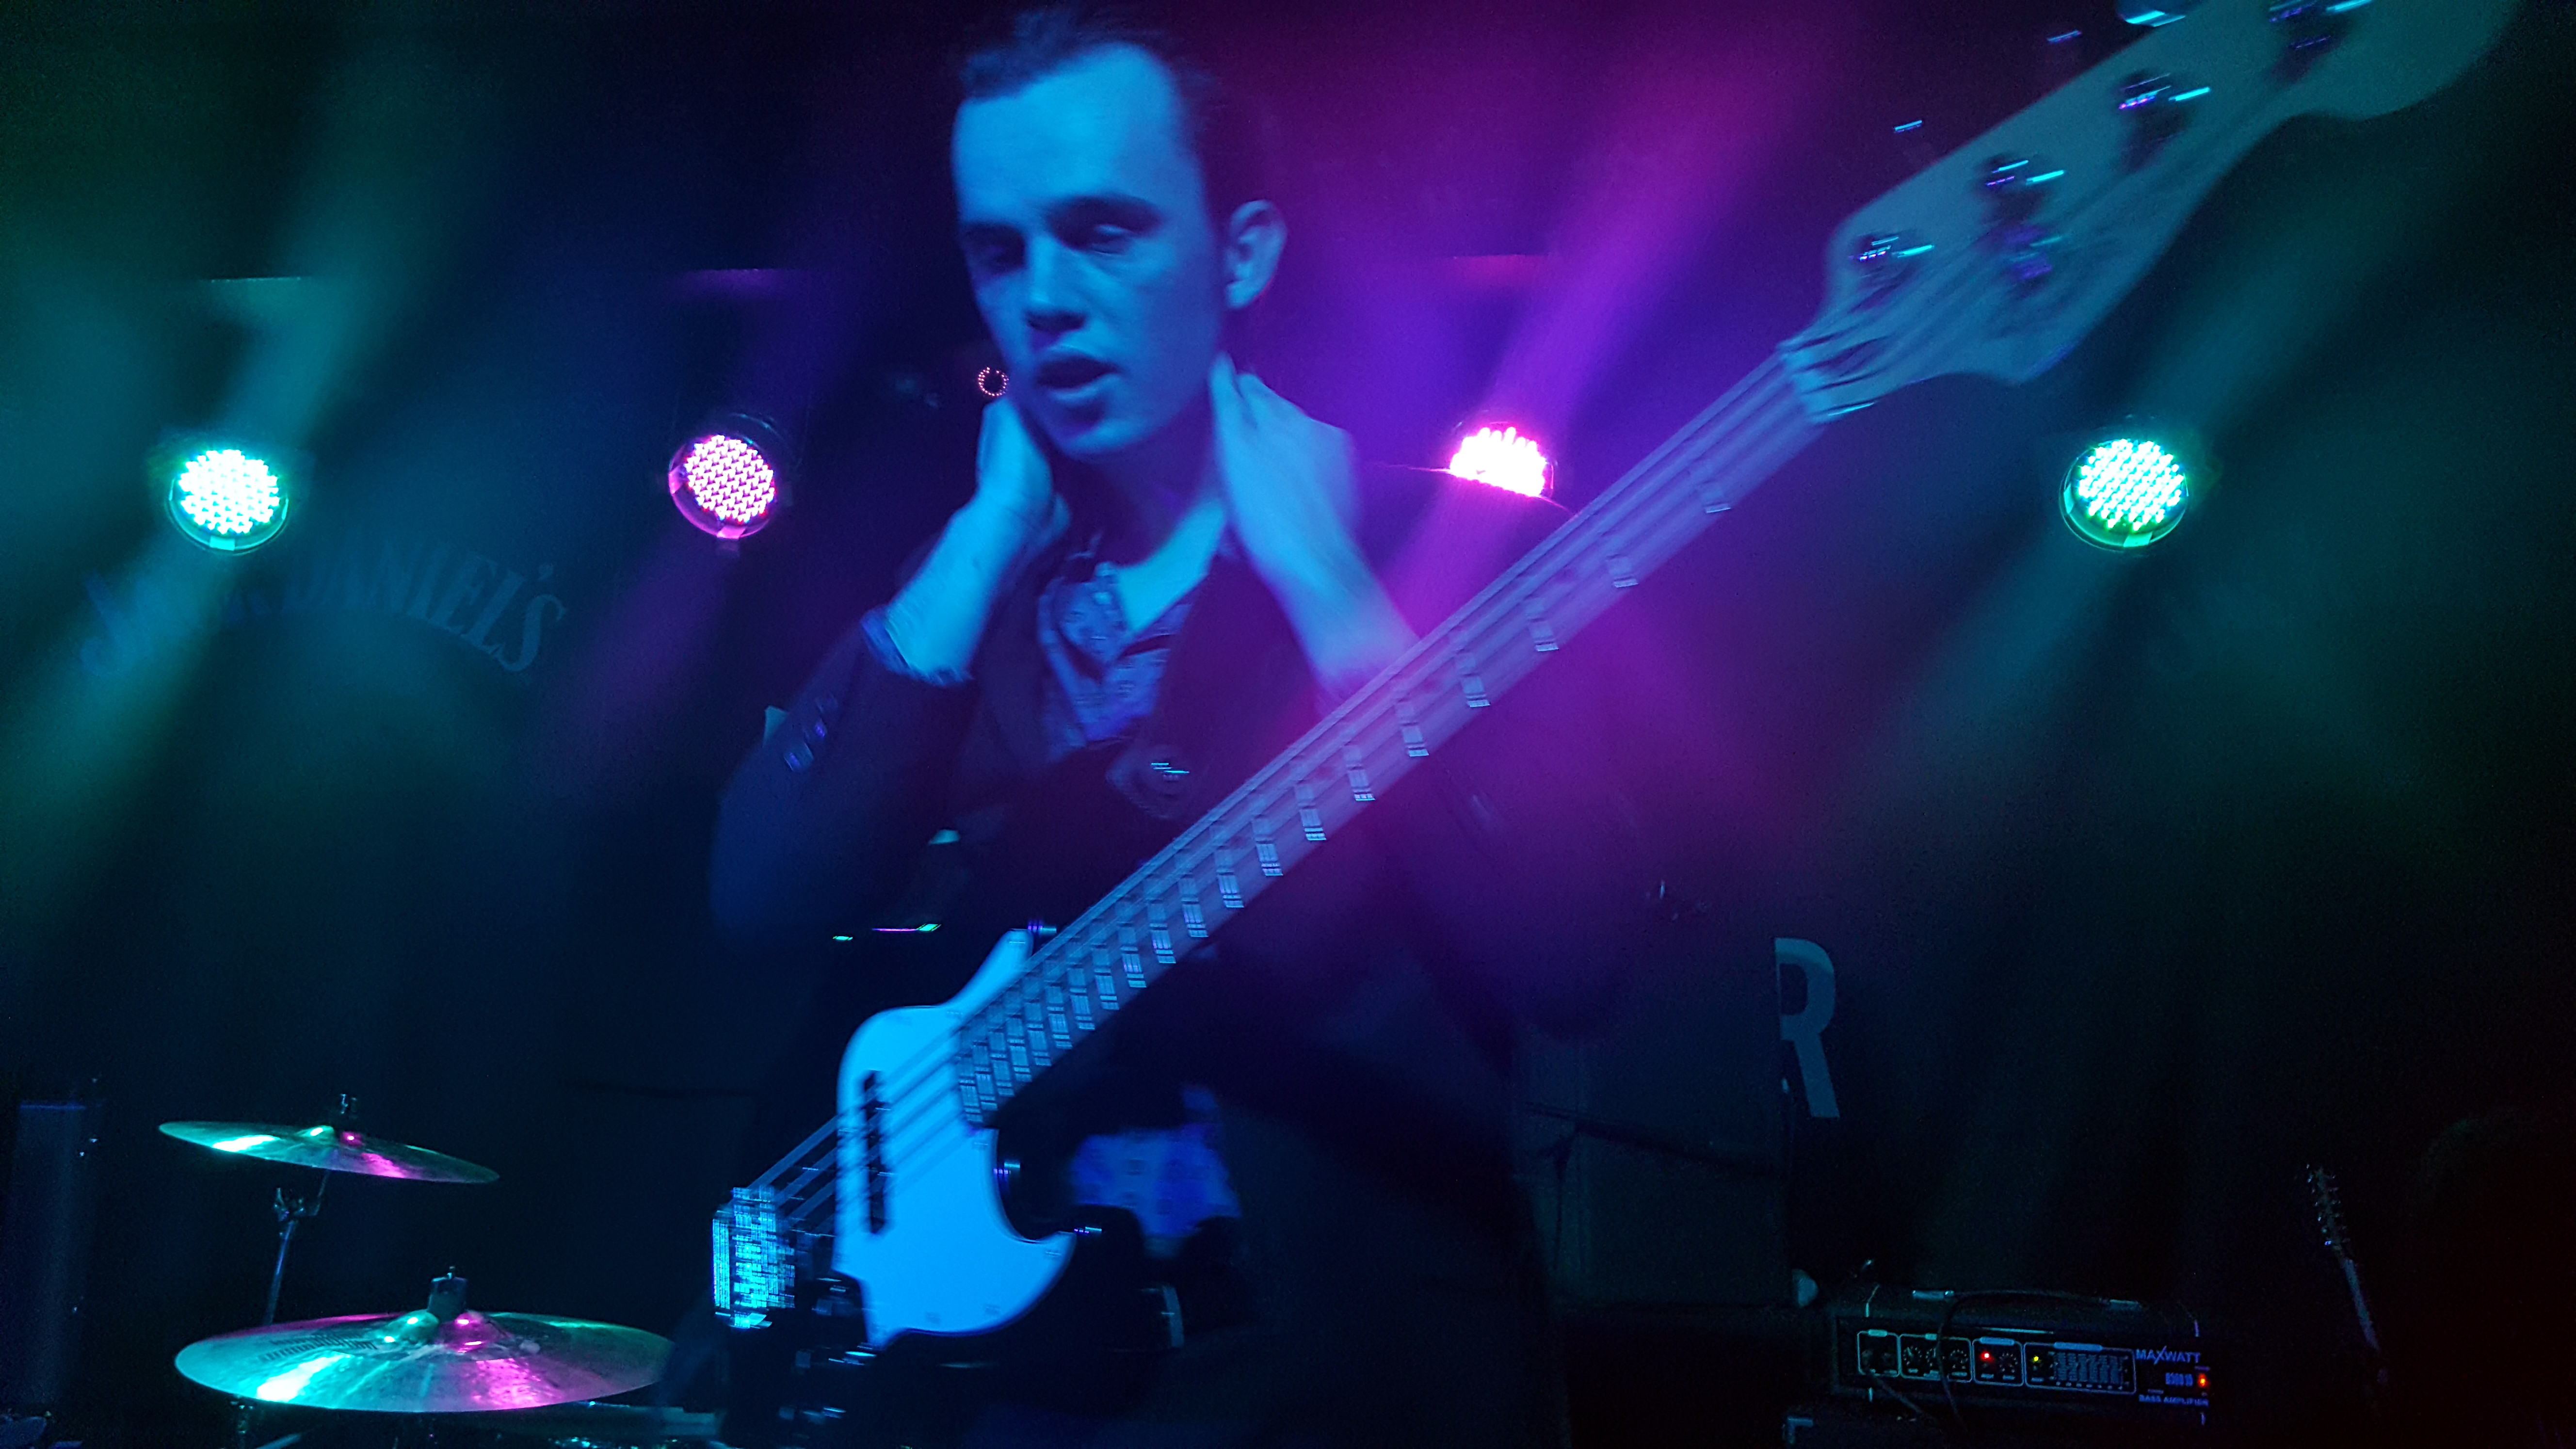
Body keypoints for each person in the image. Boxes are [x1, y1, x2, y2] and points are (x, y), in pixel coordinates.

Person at [712, 7, 1646, 1444]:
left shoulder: (1454, 553)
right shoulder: (972, 599)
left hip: (1356, 1396)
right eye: (999, 251)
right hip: (1014, 1393)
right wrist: (986, 534)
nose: (1046, 298)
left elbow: (1570, 949)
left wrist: (1330, 589)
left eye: (1105, 232)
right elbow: (762, 897)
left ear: (1244, 252)